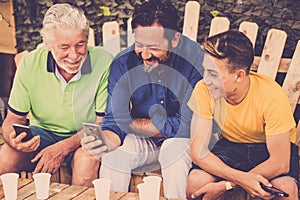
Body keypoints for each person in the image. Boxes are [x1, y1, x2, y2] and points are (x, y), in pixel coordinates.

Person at [80, 0, 204, 198]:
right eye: (139, 45)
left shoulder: (196, 59)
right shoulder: (124, 62)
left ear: (174, 39)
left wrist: (132, 124)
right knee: (115, 157)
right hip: (143, 140)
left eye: (154, 47)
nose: (145, 54)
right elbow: (114, 120)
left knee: (173, 151)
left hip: (184, 140)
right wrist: (107, 141)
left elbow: (187, 125)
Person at [0, 3, 113, 187]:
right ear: (49, 45)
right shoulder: (30, 64)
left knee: (86, 160)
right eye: (64, 47)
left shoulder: (104, 62)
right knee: (6, 156)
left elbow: (102, 126)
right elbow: (12, 120)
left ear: (86, 40)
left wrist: (63, 147)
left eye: (80, 44)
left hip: (87, 136)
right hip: (43, 136)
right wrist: (12, 138)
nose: (74, 55)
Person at [186, 30, 299, 200]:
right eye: (205, 70)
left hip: (266, 150)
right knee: (196, 182)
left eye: (213, 74)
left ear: (239, 75)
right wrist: (242, 179)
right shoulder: (204, 89)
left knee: (285, 189)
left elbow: (280, 163)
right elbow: (198, 151)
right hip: (231, 147)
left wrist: (226, 185)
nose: (206, 79)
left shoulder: (272, 96)